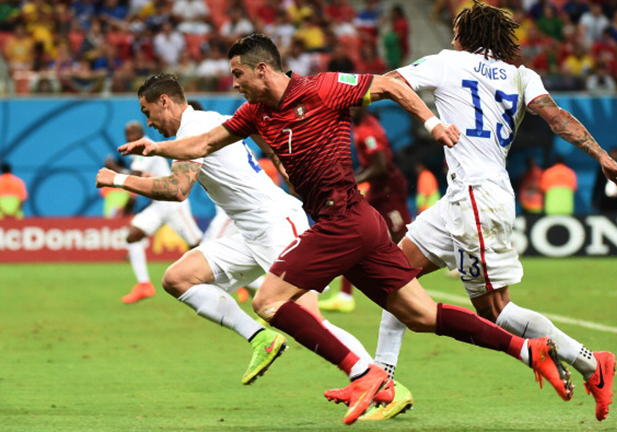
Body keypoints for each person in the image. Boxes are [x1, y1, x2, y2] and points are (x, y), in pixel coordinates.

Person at [119, 34, 575, 425]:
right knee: (422, 316)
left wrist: (432, 122)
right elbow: (200, 143)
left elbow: (392, 85)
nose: (233, 83)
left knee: (268, 301)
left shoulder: (324, 88)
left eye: (238, 74)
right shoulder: (254, 114)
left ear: (262, 70)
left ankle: (366, 374)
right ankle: (526, 351)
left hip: (345, 221)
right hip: (359, 226)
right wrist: (156, 146)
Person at [358, 1, 617, 422]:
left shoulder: (446, 62)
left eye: (456, 28)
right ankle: (383, 380)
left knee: (495, 312)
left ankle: (590, 362)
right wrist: (601, 154)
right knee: (394, 276)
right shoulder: (522, 75)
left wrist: (331, 90)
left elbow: (385, 84)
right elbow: (558, 120)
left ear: (463, 35)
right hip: (470, 195)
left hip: (476, 196)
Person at [97, 73, 382, 392]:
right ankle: (261, 338)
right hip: (250, 233)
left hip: (275, 224)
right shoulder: (212, 119)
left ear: (165, 101)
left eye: (147, 112)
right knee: (178, 278)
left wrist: (117, 180)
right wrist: (277, 159)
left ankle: (376, 380)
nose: (148, 122)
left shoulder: (195, 127)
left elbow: (176, 188)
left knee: (308, 317)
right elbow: (258, 127)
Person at [319, 107, 411, 314]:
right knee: (353, 231)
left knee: (402, 237)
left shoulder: (370, 131)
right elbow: (371, 165)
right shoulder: (361, 125)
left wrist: (351, 181)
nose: (347, 111)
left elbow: (380, 167)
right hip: (379, 188)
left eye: (350, 106)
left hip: (389, 189)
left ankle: (409, 288)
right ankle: (345, 296)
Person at [110, 121, 203, 304]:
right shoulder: (136, 153)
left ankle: (237, 282)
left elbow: (134, 176)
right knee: (133, 236)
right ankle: (144, 285)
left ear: (139, 133)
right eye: (127, 134)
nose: (129, 137)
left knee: (197, 245)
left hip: (173, 205)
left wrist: (113, 168)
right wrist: (129, 206)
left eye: (132, 133)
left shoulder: (145, 148)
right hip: (158, 206)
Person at [591, 146, 617, 214]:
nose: (614, 157)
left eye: (616, 155)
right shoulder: (602, 169)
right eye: (612, 155)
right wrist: (594, 199)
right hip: (604, 201)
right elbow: (597, 185)